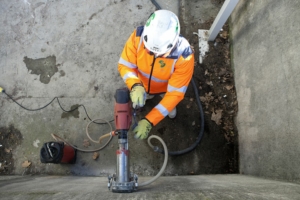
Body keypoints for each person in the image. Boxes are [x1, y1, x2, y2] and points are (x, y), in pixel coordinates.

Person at [118, 9, 194, 139]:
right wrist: (135, 85)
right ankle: (146, 95)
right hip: (141, 85)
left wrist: (150, 120)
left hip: (166, 90)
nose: (154, 55)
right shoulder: (138, 37)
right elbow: (125, 65)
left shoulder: (184, 56)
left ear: (172, 45)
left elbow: (174, 94)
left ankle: (165, 108)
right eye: (149, 51)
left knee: (169, 104)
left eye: (160, 54)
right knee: (143, 98)